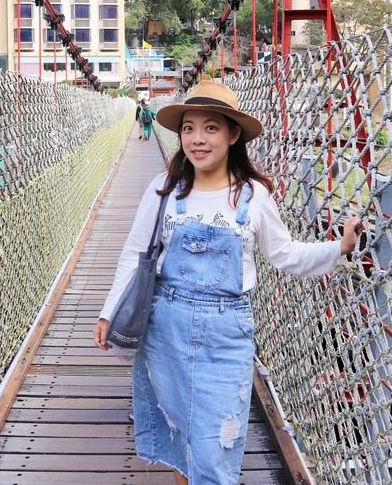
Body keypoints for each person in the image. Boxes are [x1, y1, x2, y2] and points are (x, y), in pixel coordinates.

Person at [94, 81, 360, 485]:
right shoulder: (165, 188)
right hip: (165, 326)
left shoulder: (252, 196)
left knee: (216, 444)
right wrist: (108, 313)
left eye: (211, 128)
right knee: (178, 432)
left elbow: (285, 254)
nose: (197, 140)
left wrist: (338, 248)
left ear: (233, 134)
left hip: (226, 334)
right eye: (188, 128)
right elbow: (135, 253)